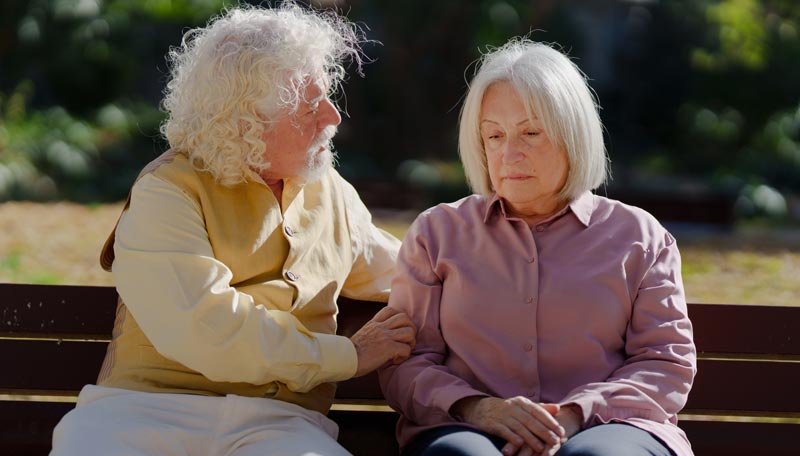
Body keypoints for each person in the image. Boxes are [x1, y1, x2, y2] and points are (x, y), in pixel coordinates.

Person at [50, 3, 416, 455]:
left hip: (280, 427)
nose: (332, 117)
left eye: (327, 96)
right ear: (246, 122)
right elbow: (207, 328)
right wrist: (348, 356)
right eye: (308, 107)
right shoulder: (167, 190)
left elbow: (409, 274)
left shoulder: (332, 193)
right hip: (144, 413)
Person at [379, 39, 696, 456]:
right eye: (494, 135)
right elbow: (408, 362)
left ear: (573, 135)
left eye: (530, 132)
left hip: (611, 427)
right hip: (471, 429)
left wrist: (574, 414)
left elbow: (663, 364)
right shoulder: (436, 234)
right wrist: (478, 408)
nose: (509, 153)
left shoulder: (639, 236)